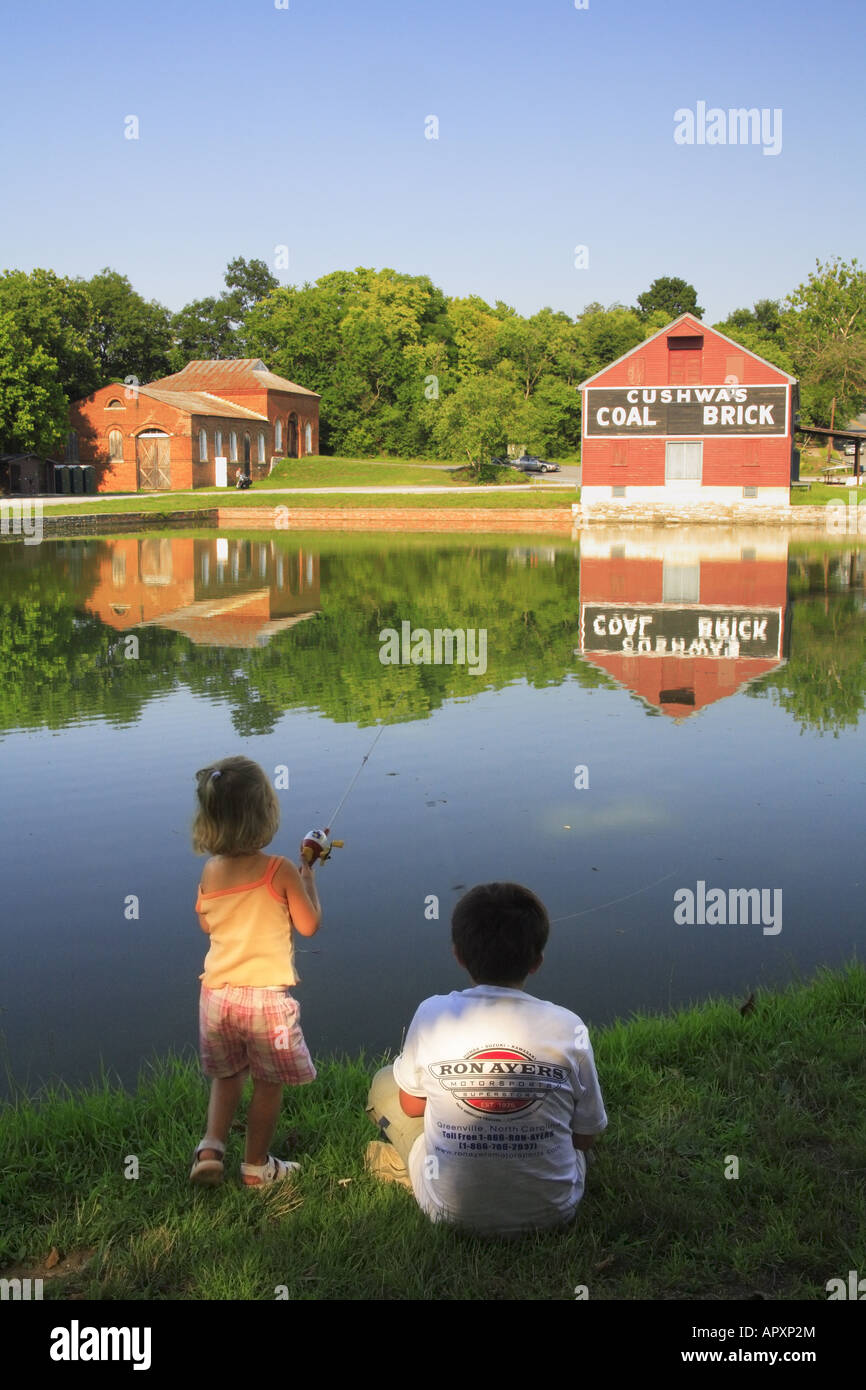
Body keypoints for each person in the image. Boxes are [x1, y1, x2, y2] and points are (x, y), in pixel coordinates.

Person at [365, 882, 607, 1236]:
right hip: (556, 1210)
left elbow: (411, 1105)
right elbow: (585, 1139)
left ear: (458, 955)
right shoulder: (568, 1026)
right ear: (537, 961)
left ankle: (414, 1168)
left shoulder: (432, 1013)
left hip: (448, 1210)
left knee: (385, 1082)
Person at [189, 755, 322, 1187]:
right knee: (268, 1083)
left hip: (217, 997)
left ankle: (211, 1148)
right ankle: (256, 1168)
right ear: (265, 813)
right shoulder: (279, 870)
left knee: (227, 1075)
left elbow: (207, 923)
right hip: (265, 1001)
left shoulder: (210, 871)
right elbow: (308, 925)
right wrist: (309, 881)